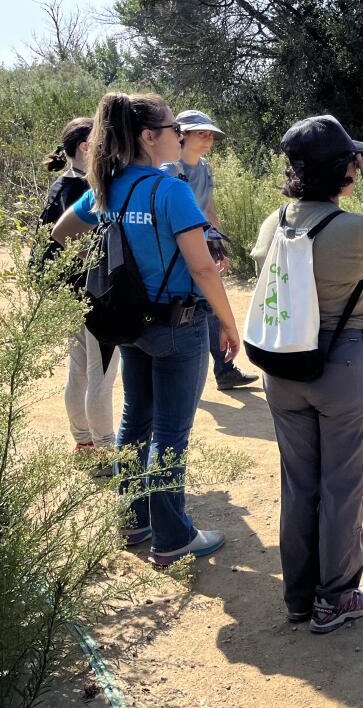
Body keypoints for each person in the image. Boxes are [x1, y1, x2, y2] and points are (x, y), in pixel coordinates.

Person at [252, 115, 363, 633]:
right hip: (346, 365)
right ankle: (335, 598)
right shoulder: (353, 229)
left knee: (299, 484)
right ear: (347, 173)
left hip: (284, 365)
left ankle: (299, 597)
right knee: (341, 486)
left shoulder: (276, 222)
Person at [52, 92, 242, 566]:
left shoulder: (106, 187)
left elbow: (60, 231)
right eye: (172, 126)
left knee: (135, 421)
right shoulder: (170, 190)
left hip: (130, 322)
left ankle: (133, 520)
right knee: (170, 432)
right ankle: (173, 536)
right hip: (179, 324)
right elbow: (203, 269)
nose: (179, 134)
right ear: (148, 136)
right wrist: (228, 320)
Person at [39, 117, 119, 465]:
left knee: (80, 372)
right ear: (86, 147)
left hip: (69, 295)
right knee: (100, 378)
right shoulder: (89, 191)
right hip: (96, 296)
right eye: (103, 141)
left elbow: (46, 242)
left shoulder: (60, 186)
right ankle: (104, 450)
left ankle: (84, 445)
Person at [164, 109, 259, 391]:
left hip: (201, 245)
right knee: (193, 308)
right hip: (175, 251)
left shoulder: (203, 166)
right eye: (200, 133)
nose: (208, 139)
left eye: (210, 135)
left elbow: (208, 208)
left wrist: (217, 245)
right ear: (182, 135)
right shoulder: (168, 169)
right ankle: (215, 371)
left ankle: (224, 369)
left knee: (210, 305)